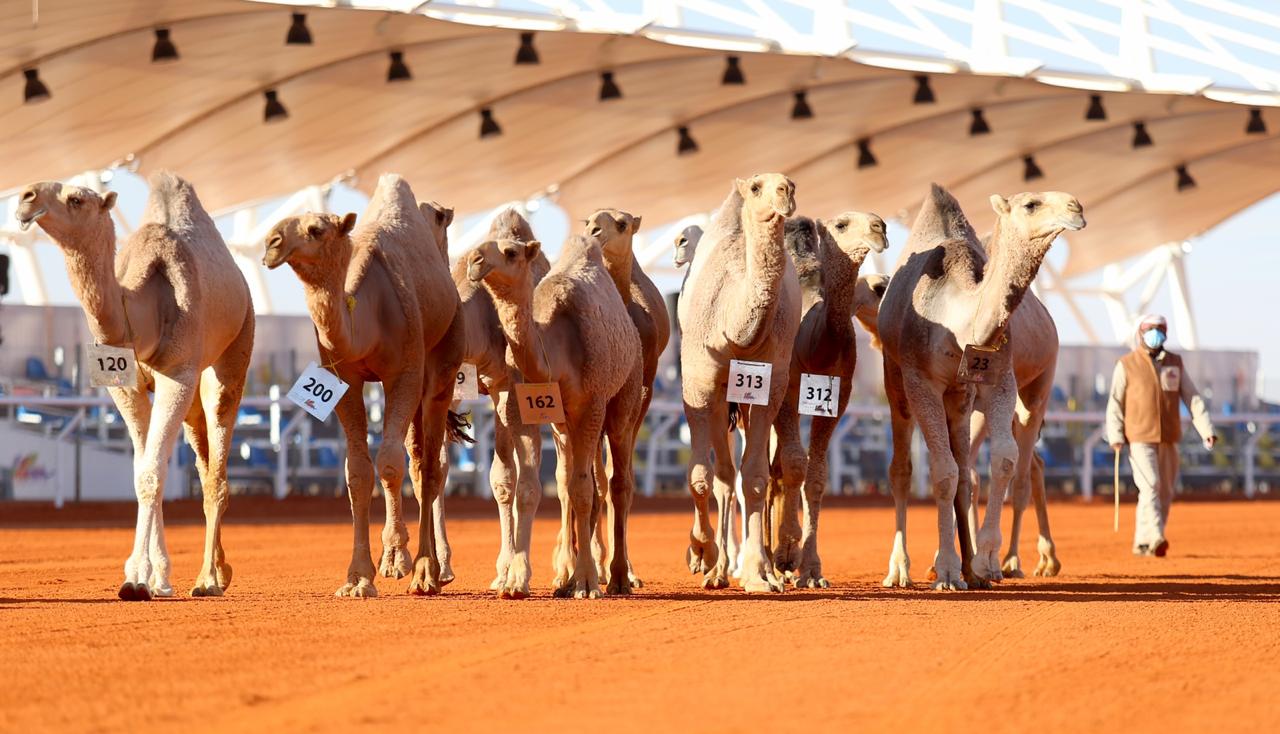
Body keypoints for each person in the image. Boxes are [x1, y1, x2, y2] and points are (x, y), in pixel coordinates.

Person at [1106, 314, 1216, 557]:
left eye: (1160, 329)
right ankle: (1156, 535)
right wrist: (1115, 434)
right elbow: (1115, 402)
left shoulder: (1175, 363)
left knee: (1164, 491)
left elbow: (1192, 398)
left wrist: (1207, 430)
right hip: (1139, 437)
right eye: (1150, 329)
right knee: (1150, 485)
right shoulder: (1126, 364)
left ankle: (1143, 542)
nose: (1155, 333)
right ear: (1140, 333)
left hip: (1168, 438)